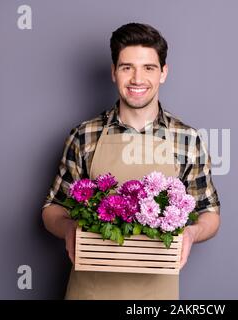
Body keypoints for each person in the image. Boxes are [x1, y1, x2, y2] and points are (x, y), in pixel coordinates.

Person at [41, 22, 221, 300]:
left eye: (149, 67)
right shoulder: (85, 135)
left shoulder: (186, 139)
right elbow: (53, 207)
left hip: (156, 295)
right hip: (89, 291)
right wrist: (69, 229)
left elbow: (210, 212)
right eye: (127, 67)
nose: (137, 79)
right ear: (114, 73)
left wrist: (191, 234)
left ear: (164, 73)